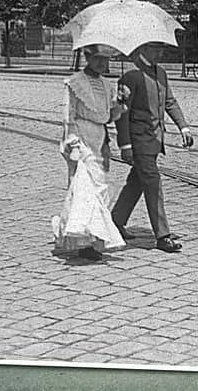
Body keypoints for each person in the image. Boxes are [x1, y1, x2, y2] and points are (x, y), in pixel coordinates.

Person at [111, 42, 194, 253]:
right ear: (143, 49)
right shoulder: (131, 75)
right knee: (153, 183)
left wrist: (183, 127)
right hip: (138, 142)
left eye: (161, 48)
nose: (160, 52)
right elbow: (122, 114)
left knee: (136, 182)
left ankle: (115, 222)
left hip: (154, 141)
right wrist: (126, 144)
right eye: (155, 48)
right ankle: (162, 236)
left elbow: (169, 102)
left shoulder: (161, 73)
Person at [52, 45, 128, 261]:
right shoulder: (74, 83)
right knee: (86, 187)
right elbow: (69, 115)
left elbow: (108, 116)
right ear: (86, 57)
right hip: (81, 139)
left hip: (98, 138)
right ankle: (84, 242)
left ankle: (89, 237)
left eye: (105, 60)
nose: (102, 64)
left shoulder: (107, 84)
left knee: (100, 186)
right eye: (97, 59)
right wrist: (73, 143)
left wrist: (120, 104)